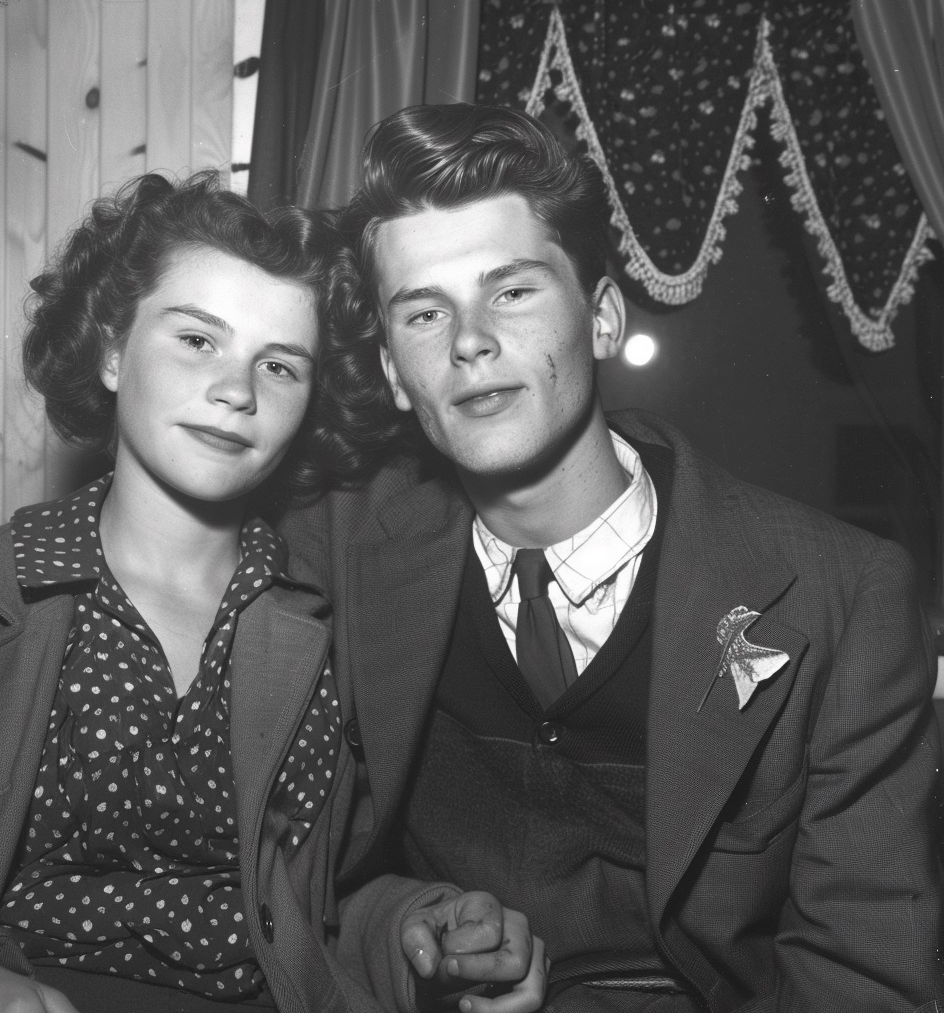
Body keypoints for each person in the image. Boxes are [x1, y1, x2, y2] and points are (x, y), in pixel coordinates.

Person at [277, 104, 944, 1012]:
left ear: (600, 318)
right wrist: (414, 927)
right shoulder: (338, 553)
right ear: (395, 372)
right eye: (425, 312)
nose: (470, 340)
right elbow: (294, 880)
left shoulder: (839, 594)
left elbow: (864, 972)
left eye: (511, 291)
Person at [0, 171, 544, 1013]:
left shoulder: (326, 628)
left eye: (280, 366)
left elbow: (314, 905)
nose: (237, 391)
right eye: (197, 340)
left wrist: (422, 928)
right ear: (111, 350)